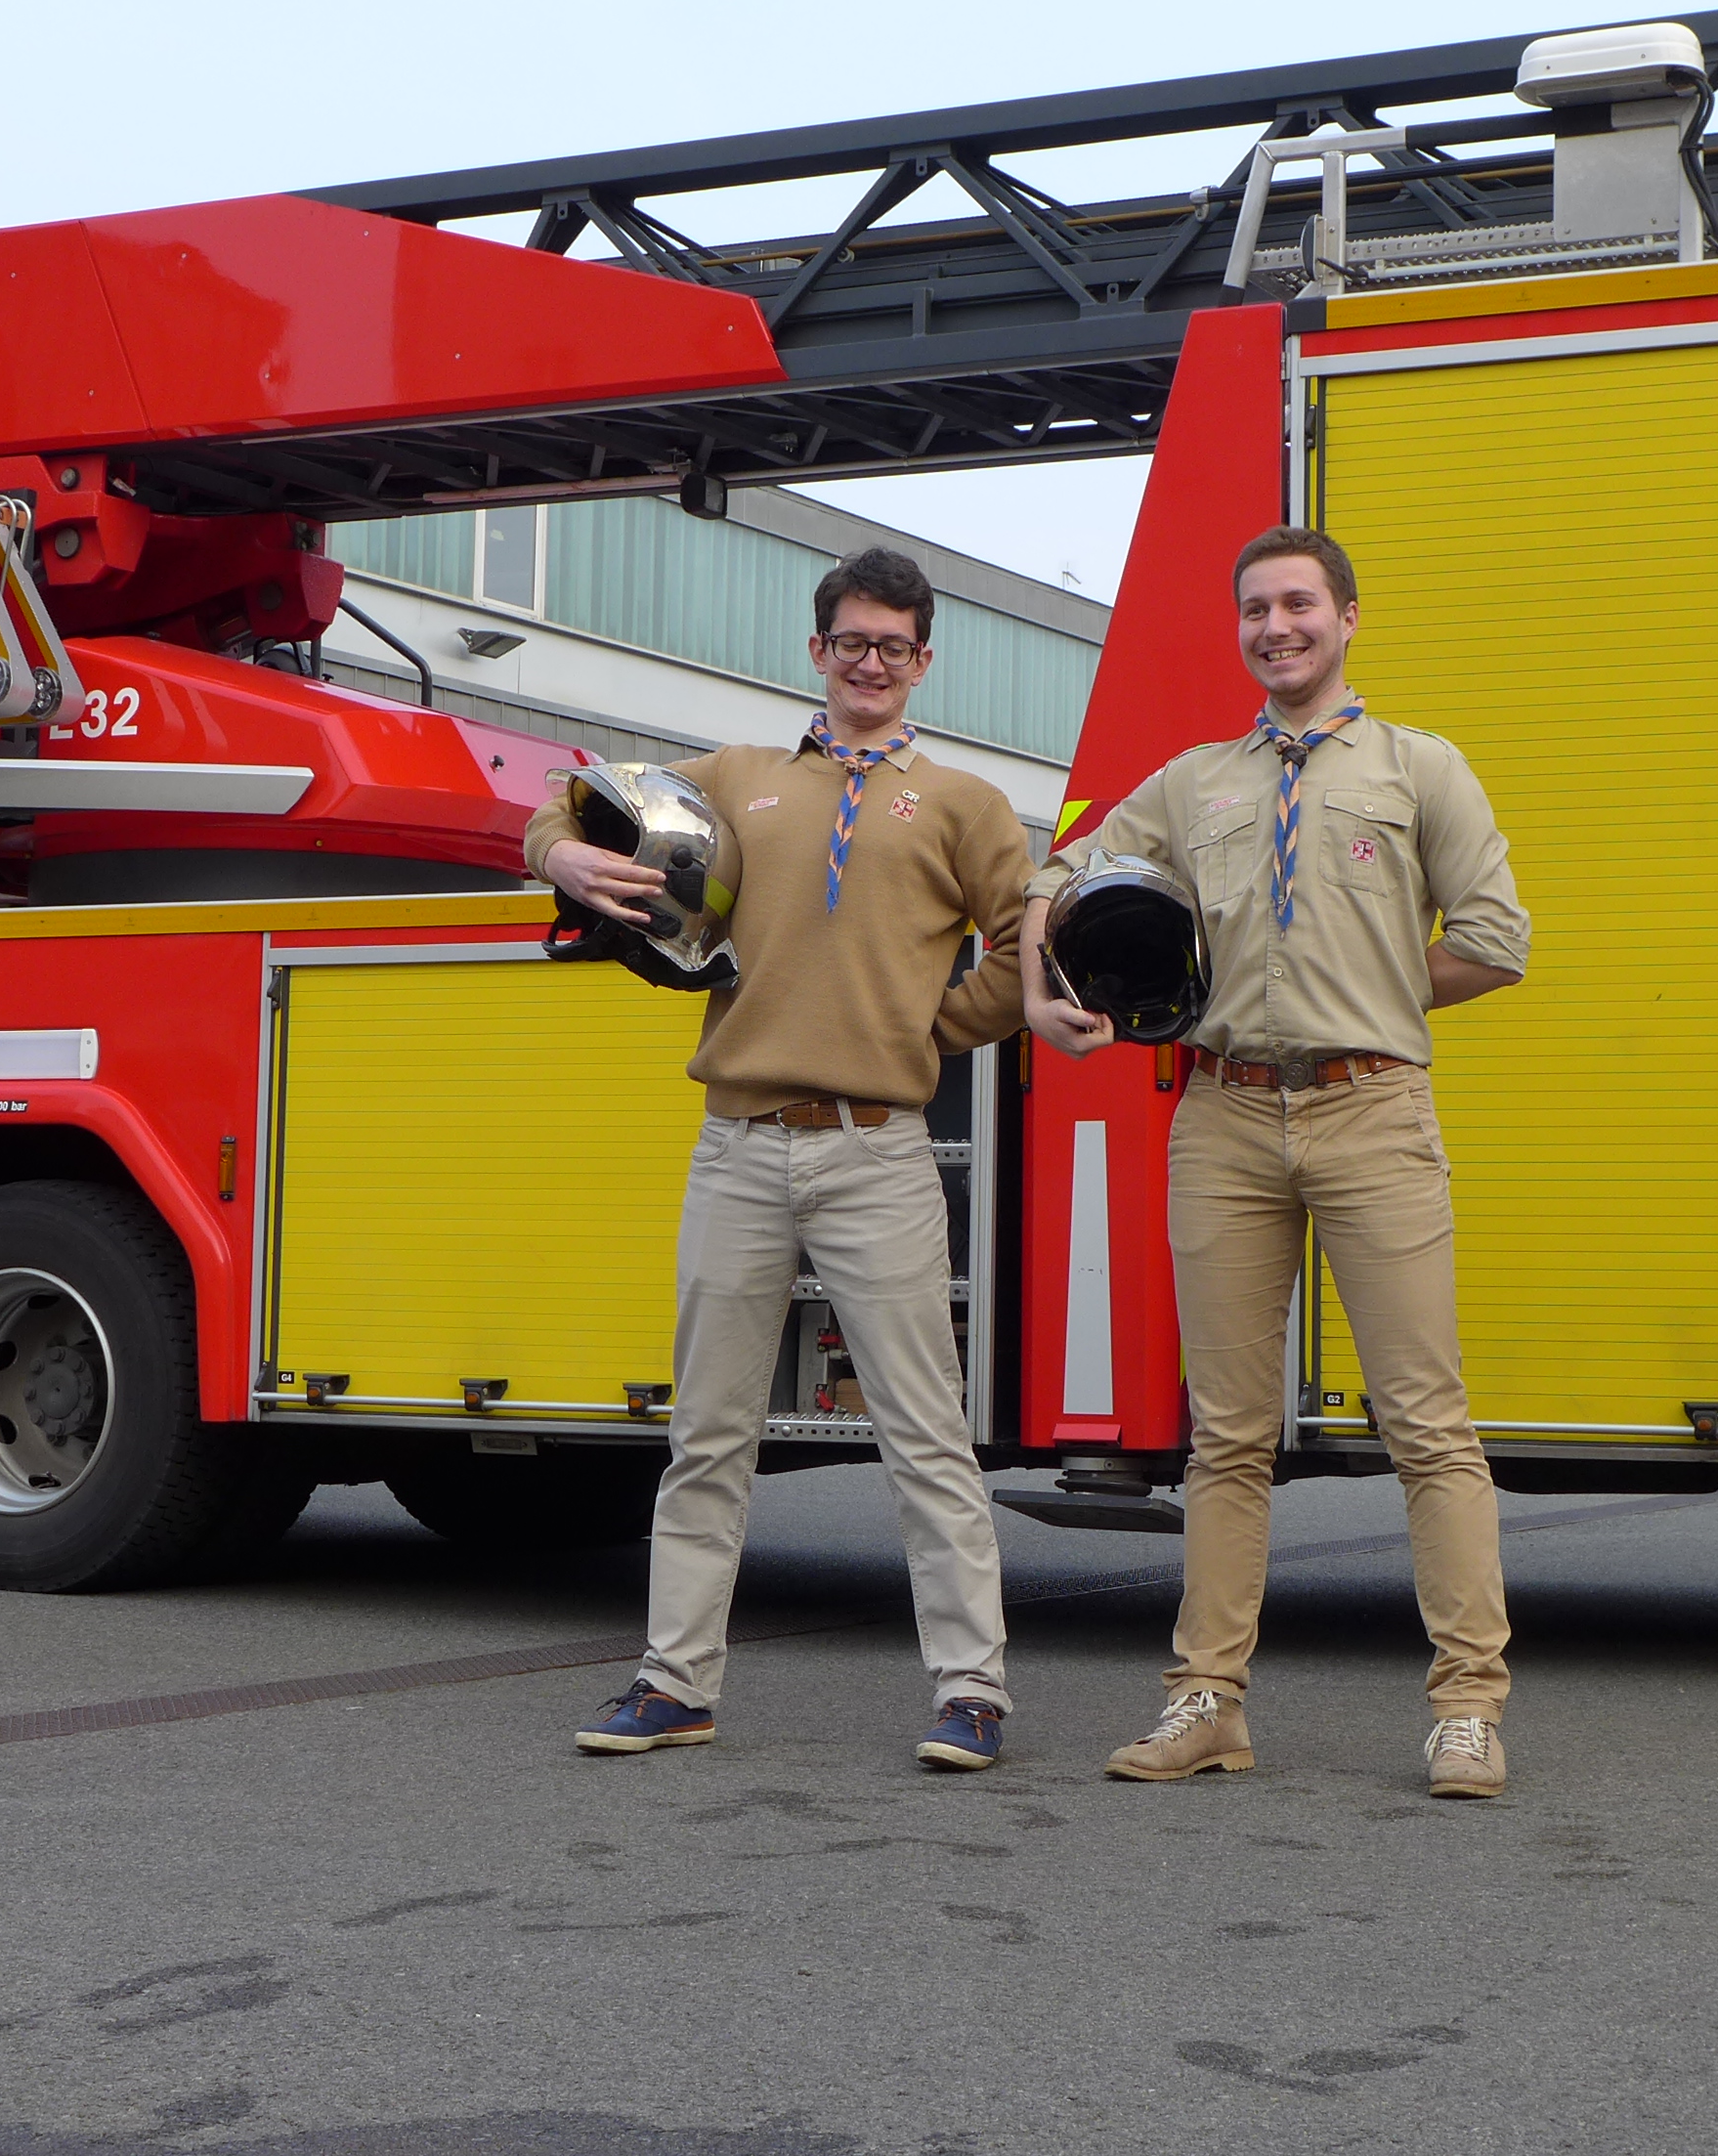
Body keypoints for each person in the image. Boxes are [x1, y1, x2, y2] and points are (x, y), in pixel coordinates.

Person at [1019, 524, 1530, 1800]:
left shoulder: (1418, 767)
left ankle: (1468, 1710)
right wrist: (1042, 993)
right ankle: (1206, 1703)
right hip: (1225, 1117)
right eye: (1255, 609)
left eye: (1299, 604)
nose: (1275, 627)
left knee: (1426, 1425)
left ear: (1347, 618)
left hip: (1373, 1110)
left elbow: (1495, 938)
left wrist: (1364, 995)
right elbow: (1059, 875)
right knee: (1228, 1437)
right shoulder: (1195, 783)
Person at [535, 544, 1027, 1772]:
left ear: (922, 662)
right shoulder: (737, 776)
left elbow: (1028, 942)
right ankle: (673, 1684)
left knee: (924, 1434)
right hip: (739, 1147)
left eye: (893, 647)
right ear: (817, 651)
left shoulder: (963, 804)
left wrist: (932, 1028)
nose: (871, 663)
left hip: (877, 1152)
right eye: (851, 642)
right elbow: (571, 799)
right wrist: (556, 855)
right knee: (708, 1433)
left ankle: (971, 1693)